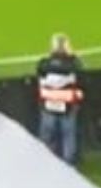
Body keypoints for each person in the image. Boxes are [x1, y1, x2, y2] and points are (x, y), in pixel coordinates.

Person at [35, 34, 83, 166]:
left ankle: (46, 164)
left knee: (47, 138)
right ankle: (68, 167)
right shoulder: (72, 64)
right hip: (67, 106)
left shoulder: (44, 63)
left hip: (48, 105)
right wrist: (72, 54)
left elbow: (40, 73)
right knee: (68, 138)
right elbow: (79, 67)